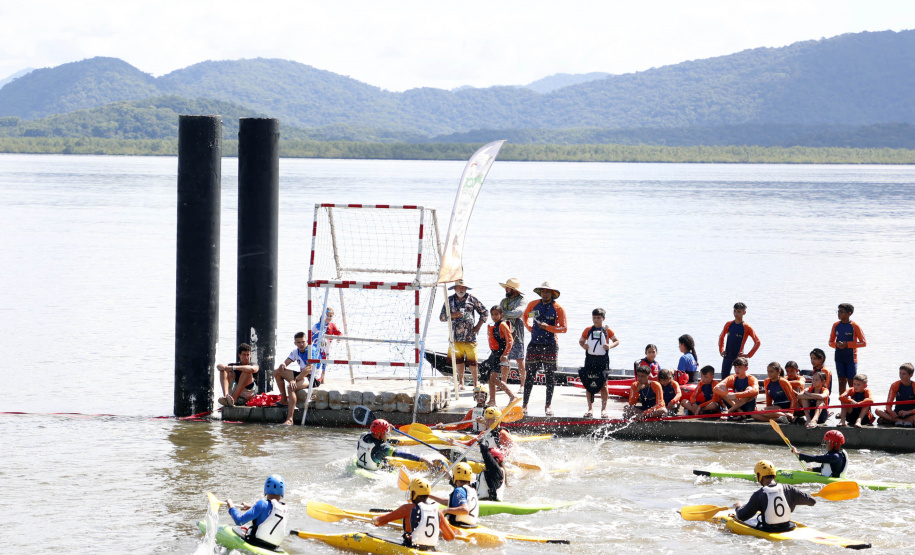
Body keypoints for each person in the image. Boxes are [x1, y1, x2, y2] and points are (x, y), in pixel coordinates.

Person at [521, 281, 567, 416]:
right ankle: (524, 404)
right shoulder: (533, 305)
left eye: (547, 291)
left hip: (550, 344)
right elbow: (525, 316)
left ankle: (548, 405)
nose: (545, 293)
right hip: (534, 344)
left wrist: (548, 327)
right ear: (540, 292)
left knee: (550, 376)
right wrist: (530, 328)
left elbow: (563, 328)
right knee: (529, 375)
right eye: (543, 291)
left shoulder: (558, 308)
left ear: (552, 293)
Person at [372, 477, 456, 551]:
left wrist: (375, 519)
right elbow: (450, 537)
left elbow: (379, 522)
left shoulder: (407, 508)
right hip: (430, 550)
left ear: (413, 493)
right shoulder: (437, 512)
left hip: (411, 548)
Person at [731, 460, 816, 532]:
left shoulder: (759, 494)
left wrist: (738, 506)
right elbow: (812, 501)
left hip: (769, 530)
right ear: (774, 474)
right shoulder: (789, 489)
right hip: (787, 528)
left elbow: (742, 516)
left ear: (759, 475)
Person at [439, 279, 488, 390]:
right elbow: (442, 317)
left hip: (470, 337)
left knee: (473, 362)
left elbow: (485, 312)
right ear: (455, 288)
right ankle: (461, 383)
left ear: (466, 288)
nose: (461, 289)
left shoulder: (472, 299)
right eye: (459, 287)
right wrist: (453, 315)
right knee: (458, 361)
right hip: (455, 337)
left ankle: (476, 383)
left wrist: (478, 327)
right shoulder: (450, 300)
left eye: (463, 288)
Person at [224, 475, 289, 551]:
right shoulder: (285, 509)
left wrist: (231, 506)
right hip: (274, 548)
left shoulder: (262, 504)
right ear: (282, 491)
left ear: (266, 488)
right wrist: (252, 508)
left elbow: (239, 521)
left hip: (256, 542)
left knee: (236, 529)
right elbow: (271, 512)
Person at [578, 308, 619, 418]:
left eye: (598, 318)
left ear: (603, 318)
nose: (596, 320)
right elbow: (581, 341)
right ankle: (590, 409)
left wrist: (609, 346)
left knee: (604, 384)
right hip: (590, 359)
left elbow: (617, 341)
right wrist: (583, 345)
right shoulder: (588, 330)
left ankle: (603, 409)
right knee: (589, 383)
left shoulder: (607, 330)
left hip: (603, 360)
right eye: (594, 318)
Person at [356, 419, 439, 471]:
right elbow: (403, 455)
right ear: (379, 434)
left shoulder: (363, 435)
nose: (387, 434)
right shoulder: (383, 448)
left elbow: (373, 433)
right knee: (391, 466)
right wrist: (422, 459)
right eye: (386, 433)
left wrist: (387, 427)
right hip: (373, 471)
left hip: (360, 465)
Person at [273, 332, 315, 425]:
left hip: (312, 377)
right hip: (302, 375)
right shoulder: (296, 352)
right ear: (295, 343)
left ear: (307, 341)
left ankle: (290, 419)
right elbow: (286, 362)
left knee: (290, 387)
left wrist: (295, 380)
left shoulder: (311, 350)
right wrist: (282, 365)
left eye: (303, 342)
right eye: (298, 342)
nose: (301, 344)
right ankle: (284, 400)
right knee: (276, 371)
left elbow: (309, 369)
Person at [479, 306, 517, 404]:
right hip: (493, 354)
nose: (494, 316)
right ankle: (492, 400)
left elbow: (510, 341)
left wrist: (505, 354)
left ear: (501, 315)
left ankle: (512, 396)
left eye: (496, 314)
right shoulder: (494, 325)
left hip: (500, 355)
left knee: (494, 378)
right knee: (489, 377)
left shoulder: (502, 325)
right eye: (492, 314)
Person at [829, 303, 867, 395]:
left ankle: (853, 403)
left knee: (852, 382)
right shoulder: (836, 325)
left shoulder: (854, 326)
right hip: (839, 357)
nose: (839, 314)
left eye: (841, 312)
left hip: (851, 358)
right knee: (841, 381)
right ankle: (843, 404)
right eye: (838, 311)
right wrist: (837, 345)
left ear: (849, 313)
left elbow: (863, 343)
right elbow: (830, 342)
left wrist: (847, 345)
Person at [718, 302, 761, 380]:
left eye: (738, 311)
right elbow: (721, 337)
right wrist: (721, 350)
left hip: (739, 357)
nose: (736, 313)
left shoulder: (746, 327)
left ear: (744, 313)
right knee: (724, 378)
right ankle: (724, 391)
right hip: (727, 355)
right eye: (734, 311)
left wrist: (748, 355)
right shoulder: (729, 324)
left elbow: (757, 342)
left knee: (739, 377)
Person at [499, 278, 527, 395]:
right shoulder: (504, 301)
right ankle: (503, 384)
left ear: (514, 289)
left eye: (508, 287)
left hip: (517, 334)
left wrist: (504, 314)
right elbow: (499, 314)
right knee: (505, 358)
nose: (506, 289)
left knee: (520, 359)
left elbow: (518, 313)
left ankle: (522, 385)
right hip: (504, 333)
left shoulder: (522, 300)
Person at [430, 462, 480, 527]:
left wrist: (445, 510)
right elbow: (451, 502)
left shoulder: (459, 490)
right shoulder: (470, 489)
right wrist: (430, 496)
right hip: (470, 525)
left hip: (458, 525)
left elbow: (464, 510)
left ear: (454, 476)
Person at [217, 343, 259, 407]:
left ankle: (233, 399)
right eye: (244, 355)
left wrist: (234, 368)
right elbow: (219, 366)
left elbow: (252, 369)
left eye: (248, 355)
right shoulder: (233, 364)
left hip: (248, 391)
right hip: (235, 388)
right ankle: (226, 397)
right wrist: (227, 368)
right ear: (239, 355)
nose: (246, 357)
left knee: (246, 372)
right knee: (224, 370)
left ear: (250, 355)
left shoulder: (253, 364)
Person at [311, 307, 342, 383]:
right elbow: (311, 337)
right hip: (317, 347)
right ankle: (315, 376)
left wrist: (339, 337)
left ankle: (322, 377)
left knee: (325, 363)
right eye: (327, 315)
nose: (329, 317)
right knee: (317, 362)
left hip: (326, 348)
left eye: (331, 316)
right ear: (323, 315)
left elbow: (339, 333)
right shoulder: (316, 326)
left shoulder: (332, 325)